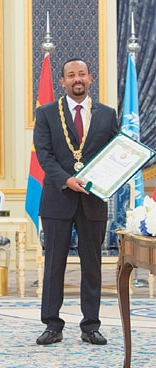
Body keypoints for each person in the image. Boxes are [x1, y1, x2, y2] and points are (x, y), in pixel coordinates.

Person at [33, 58, 118, 346]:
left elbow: (116, 153)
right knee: (54, 263)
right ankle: (52, 326)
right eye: (71, 75)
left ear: (90, 78)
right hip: (58, 198)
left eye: (81, 74)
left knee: (92, 265)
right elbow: (44, 155)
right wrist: (66, 180)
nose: (77, 79)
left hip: (94, 201)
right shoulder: (45, 114)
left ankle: (91, 326)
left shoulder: (107, 115)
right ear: (62, 81)